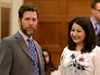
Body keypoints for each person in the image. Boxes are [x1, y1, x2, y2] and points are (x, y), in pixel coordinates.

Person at [0, 3, 45, 75]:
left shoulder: (38, 47)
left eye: (34, 20)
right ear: (19, 21)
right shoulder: (8, 43)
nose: (30, 23)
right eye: (27, 19)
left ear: (37, 22)